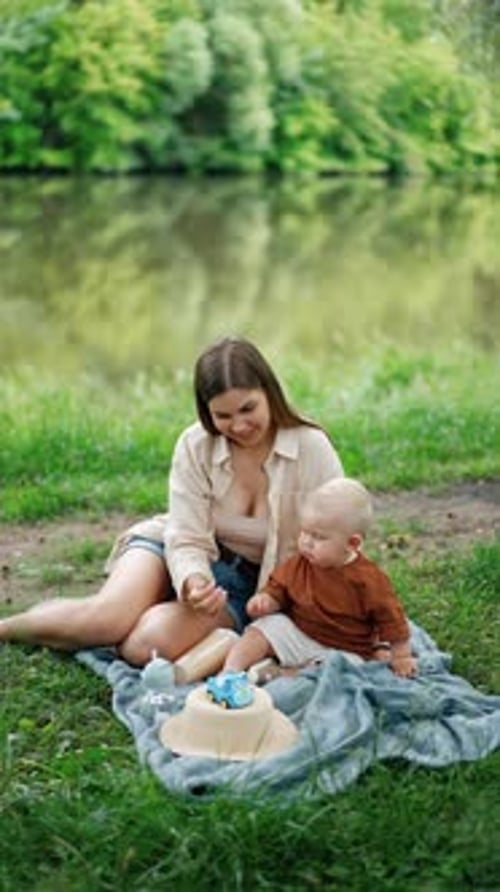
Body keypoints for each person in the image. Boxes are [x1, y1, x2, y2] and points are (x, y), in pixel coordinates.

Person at [0, 336, 344, 666]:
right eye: (222, 416)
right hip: (176, 547)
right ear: (207, 412)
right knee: (104, 620)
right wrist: (193, 580)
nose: (238, 425)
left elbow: (338, 537)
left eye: (247, 408)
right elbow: (185, 535)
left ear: (269, 392)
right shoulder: (195, 445)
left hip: (250, 586)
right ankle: (8, 628)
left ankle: (150, 609)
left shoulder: (310, 447)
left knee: (143, 646)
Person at [223, 477, 418, 678]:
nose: (307, 542)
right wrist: (267, 601)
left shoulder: (369, 580)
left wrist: (401, 657)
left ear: (352, 543)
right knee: (263, 629)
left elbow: (392, 620)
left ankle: (280, 674)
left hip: (345, 650)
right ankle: (230, 671)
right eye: (304, 532)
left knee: (342, 670)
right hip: (301, 633)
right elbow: (279, 587)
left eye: (318, 537)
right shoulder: (302, 563)